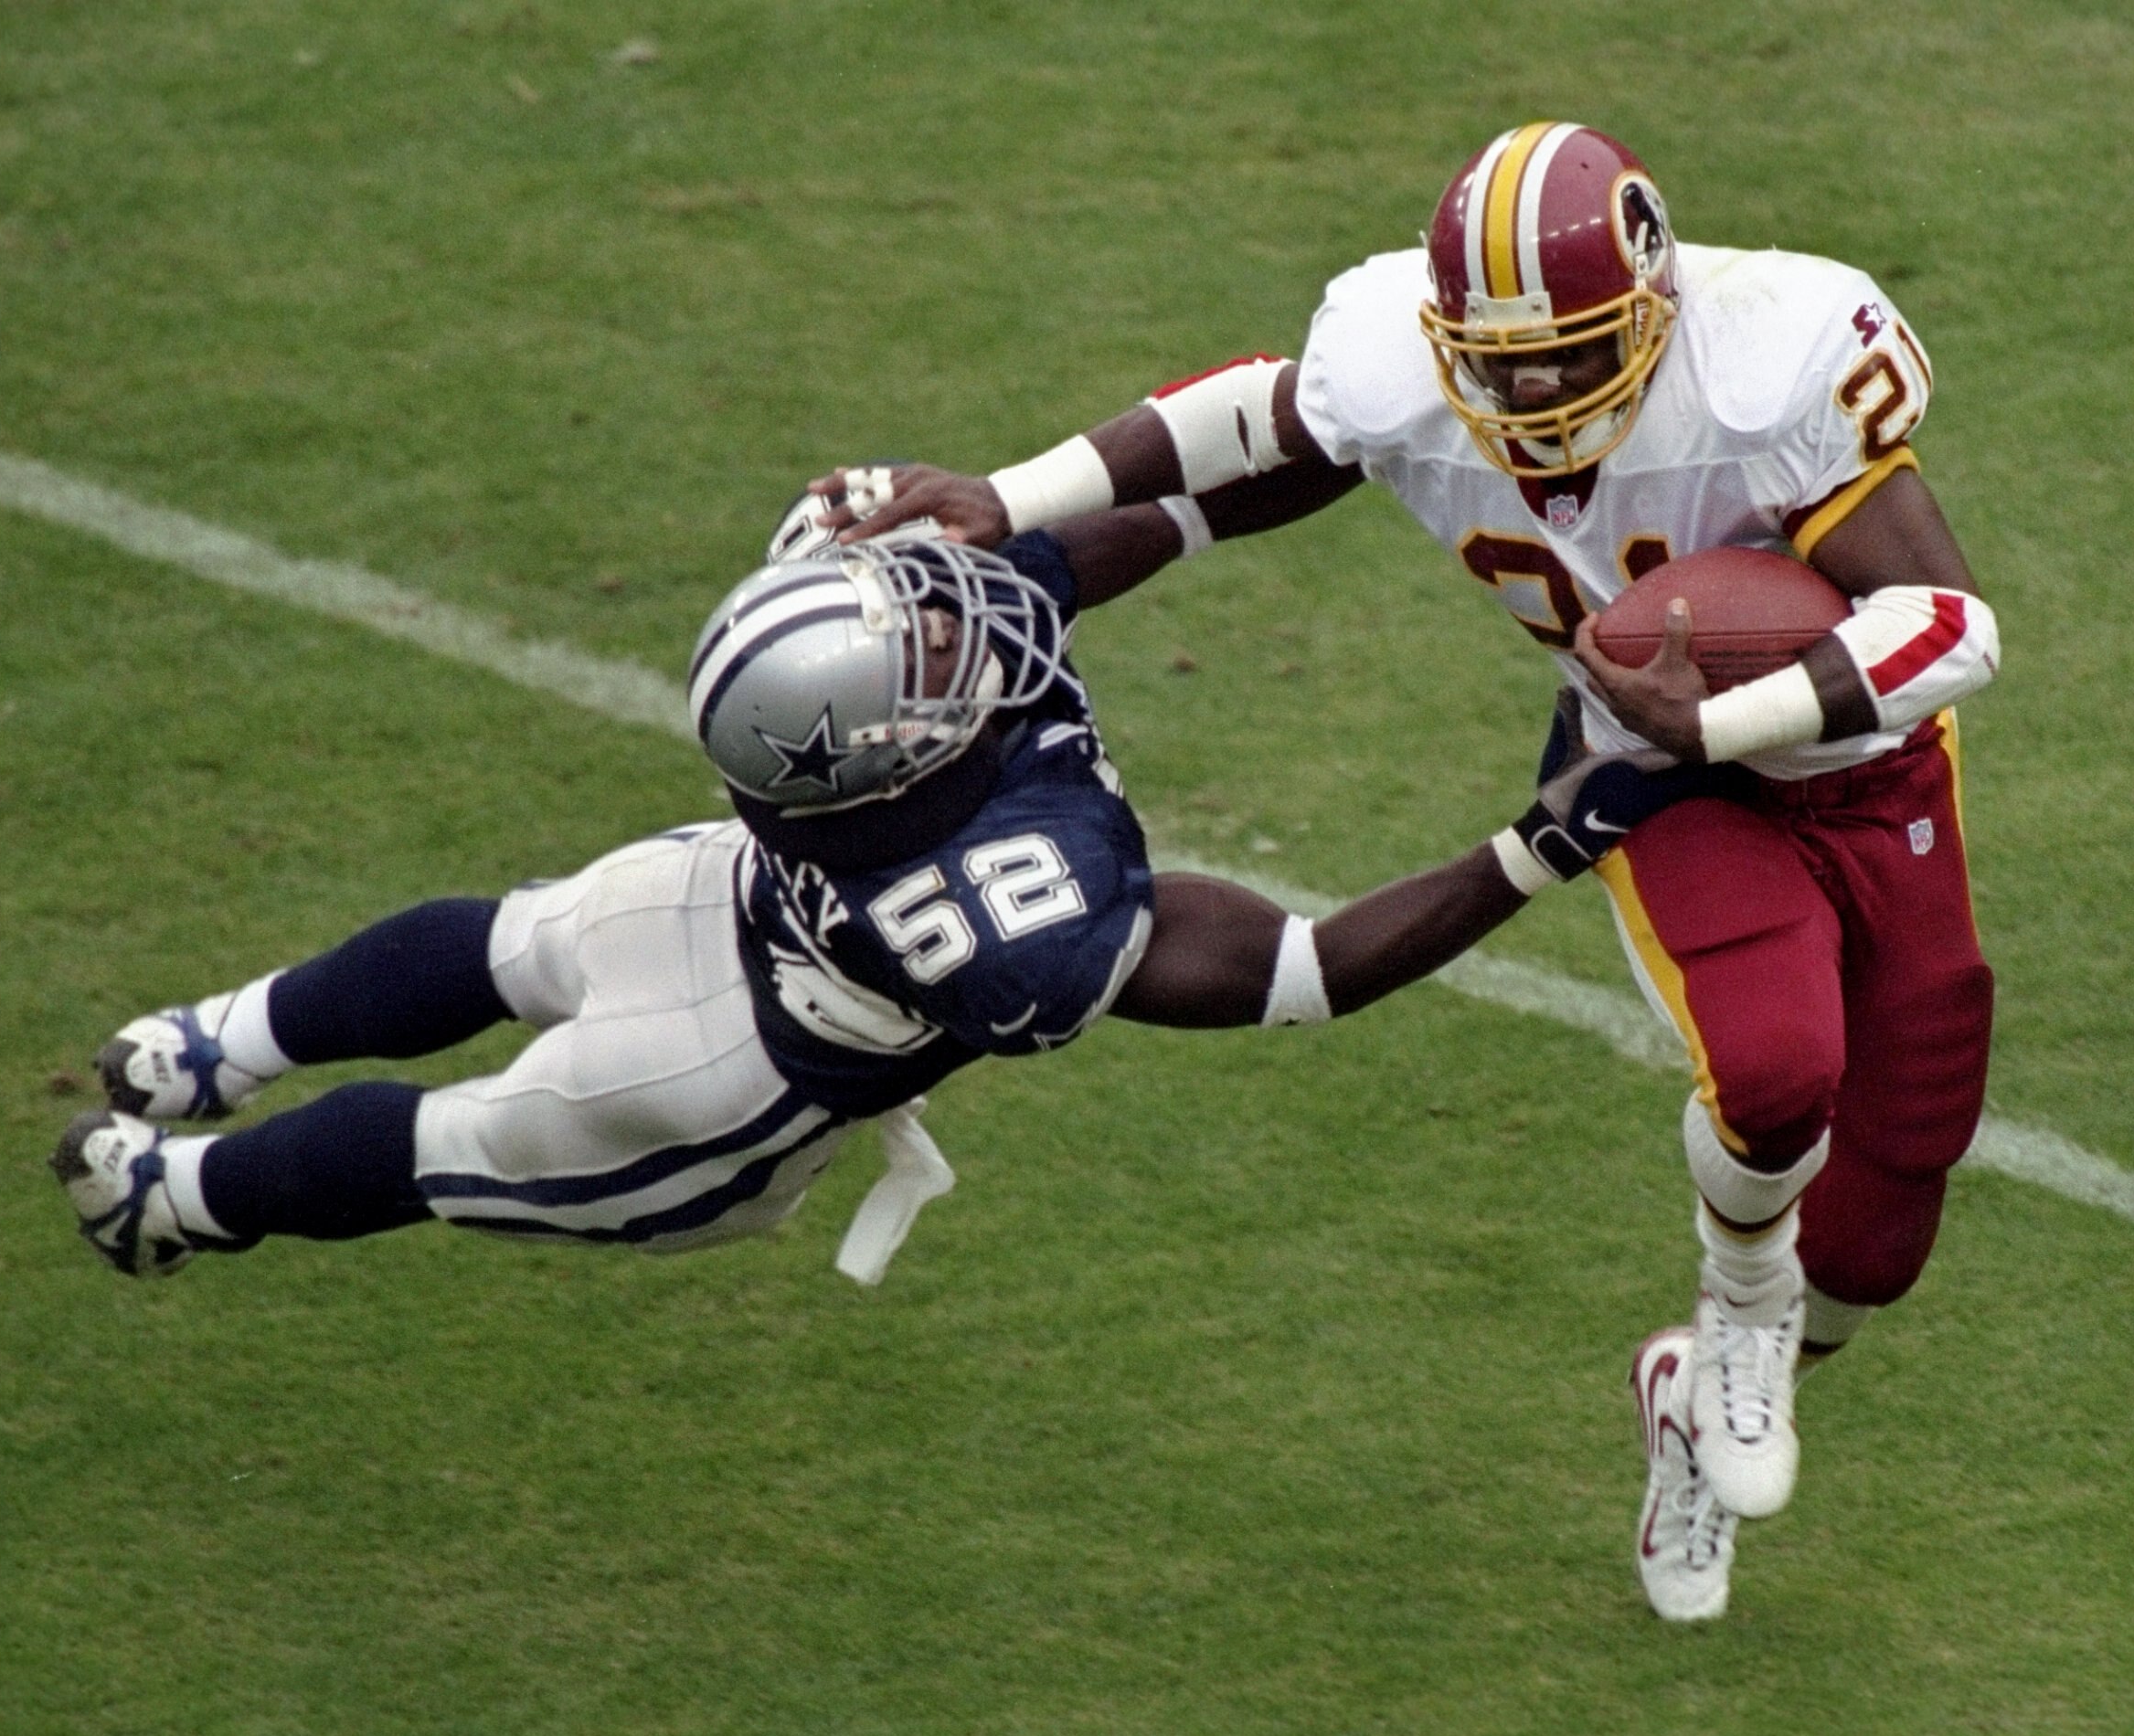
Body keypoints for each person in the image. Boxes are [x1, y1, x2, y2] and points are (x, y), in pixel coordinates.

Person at [831, 123, 2003, 1623]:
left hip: (1853, 751)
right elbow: (1252, 429)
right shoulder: (1408, 368)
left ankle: (1712, 1371)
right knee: (1779, 1071)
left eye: (1560, 358)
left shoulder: (1770, 367)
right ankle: (1740, 1320)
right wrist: (1014, 495)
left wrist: (1727, 708)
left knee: (1899, 1181)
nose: (1521, 399)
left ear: (1652, 310)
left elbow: (1954, 624)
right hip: (1653, 773)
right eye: (1490, 363)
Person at [53, 492, 1700, 1293]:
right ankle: (179, 1201)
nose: (951, 627)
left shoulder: (853, 736)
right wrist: (1543, 840)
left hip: (728, 903)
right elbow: (1297, 973)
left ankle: (218, 1046)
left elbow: (1057, 559)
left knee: (511, 935)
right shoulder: (1010, 904)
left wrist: (1242, 476)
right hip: (717, 1088)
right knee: (460, 1129)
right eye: (917, 647)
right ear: (884, 753)